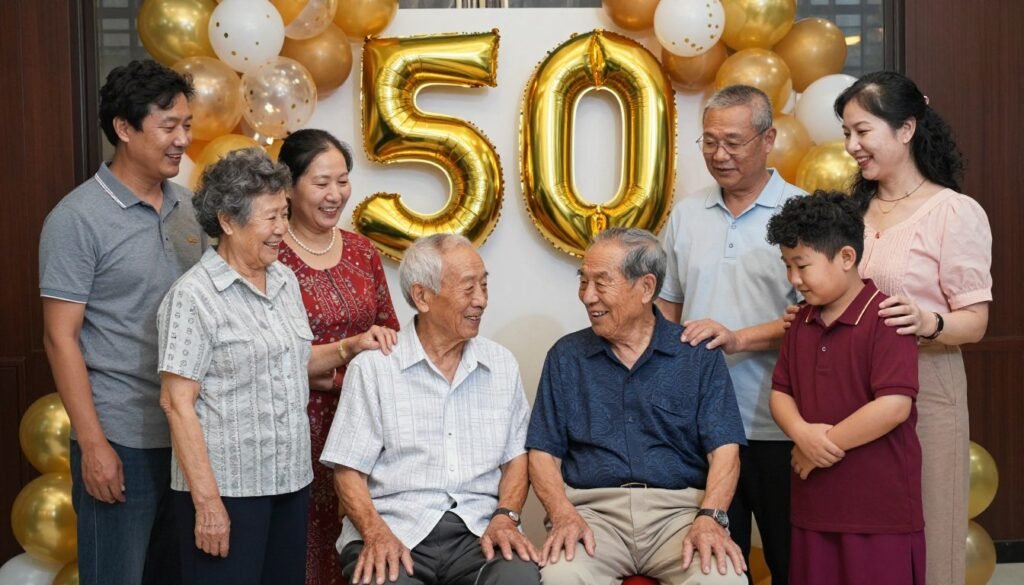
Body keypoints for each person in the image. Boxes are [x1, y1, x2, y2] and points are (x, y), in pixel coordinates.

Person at [39, 59, 202, 585]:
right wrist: (94, 445)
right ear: (125, 129)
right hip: (121, 439)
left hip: (188, 438)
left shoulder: (191, 208)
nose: (182, 139)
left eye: (187, 125)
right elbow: (59, 337)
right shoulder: (77, 218)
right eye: (168, 126)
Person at [835, 71, 992, 585]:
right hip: (853, 398)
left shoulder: (954, 212)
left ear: (905, 129)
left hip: (928, 398)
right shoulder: (850, 213)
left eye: (862, 131)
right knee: (864, 538)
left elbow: (976, 323)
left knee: (930, 535)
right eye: (846, 134)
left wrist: (929, 321)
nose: (852, 146)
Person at [528, 227, 748, 585]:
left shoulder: (695, 356)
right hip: (593, 515)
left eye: (602, 282)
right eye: (583, 281)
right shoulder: (566, 357)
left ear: (646, 287)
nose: (587, 296)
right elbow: (543, 452)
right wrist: (562, 512)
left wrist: (710, 517)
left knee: (724, 580)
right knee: (561, 577)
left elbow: (724, 450)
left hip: (679, 514)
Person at [320, 234, 541, 585]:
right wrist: (375, 532)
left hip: (478, 530)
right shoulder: (375, 367)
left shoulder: (501, 364)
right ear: (422, 296)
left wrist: (506, 516)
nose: (481, 300)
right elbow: (347, 471)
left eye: (484, 286)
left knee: (518, 577)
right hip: (395, 527)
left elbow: (517, 457)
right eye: (468, 288)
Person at [157, 149, 327, 584]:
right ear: (228, 221)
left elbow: (292, 363)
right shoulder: (193, 297)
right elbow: (177, 404)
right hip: (228, 493)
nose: (282, 229)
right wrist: (208, 504)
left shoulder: (285, 281)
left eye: (284, 214)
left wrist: (351, 350)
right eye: (270, 218)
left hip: (290, 481)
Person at [657, 85, 804, 584]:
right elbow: (668, 307)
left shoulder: (801, 214)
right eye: (709, 141)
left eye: (734, 142)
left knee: (792, 560)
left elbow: (817, 319)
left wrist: (738, 339)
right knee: (717, 564)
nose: (719, 155)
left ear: (769, 140)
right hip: (703, 427)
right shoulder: (686, 214)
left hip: (781, 424)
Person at [766, 192, 924, 584]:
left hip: (879, 511)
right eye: (787, 266)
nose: (793, 279)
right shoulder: (799, 322)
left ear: (847, 258)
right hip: (814, 506)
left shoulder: (886, 317)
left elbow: (893, 406)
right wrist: (802, 435)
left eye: (802, 265)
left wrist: (822, 446)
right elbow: (780, 392)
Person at [277, 129, 400, 585]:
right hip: (295, 431)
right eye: (322, 182)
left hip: (367, 429)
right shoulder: (271, 257)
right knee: (301, 550)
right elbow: (266, 356)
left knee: (360, 543)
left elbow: (390, 332)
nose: (335, 195)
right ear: (288, 186)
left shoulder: (363, 251)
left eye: (342, 181)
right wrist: (329, 373)